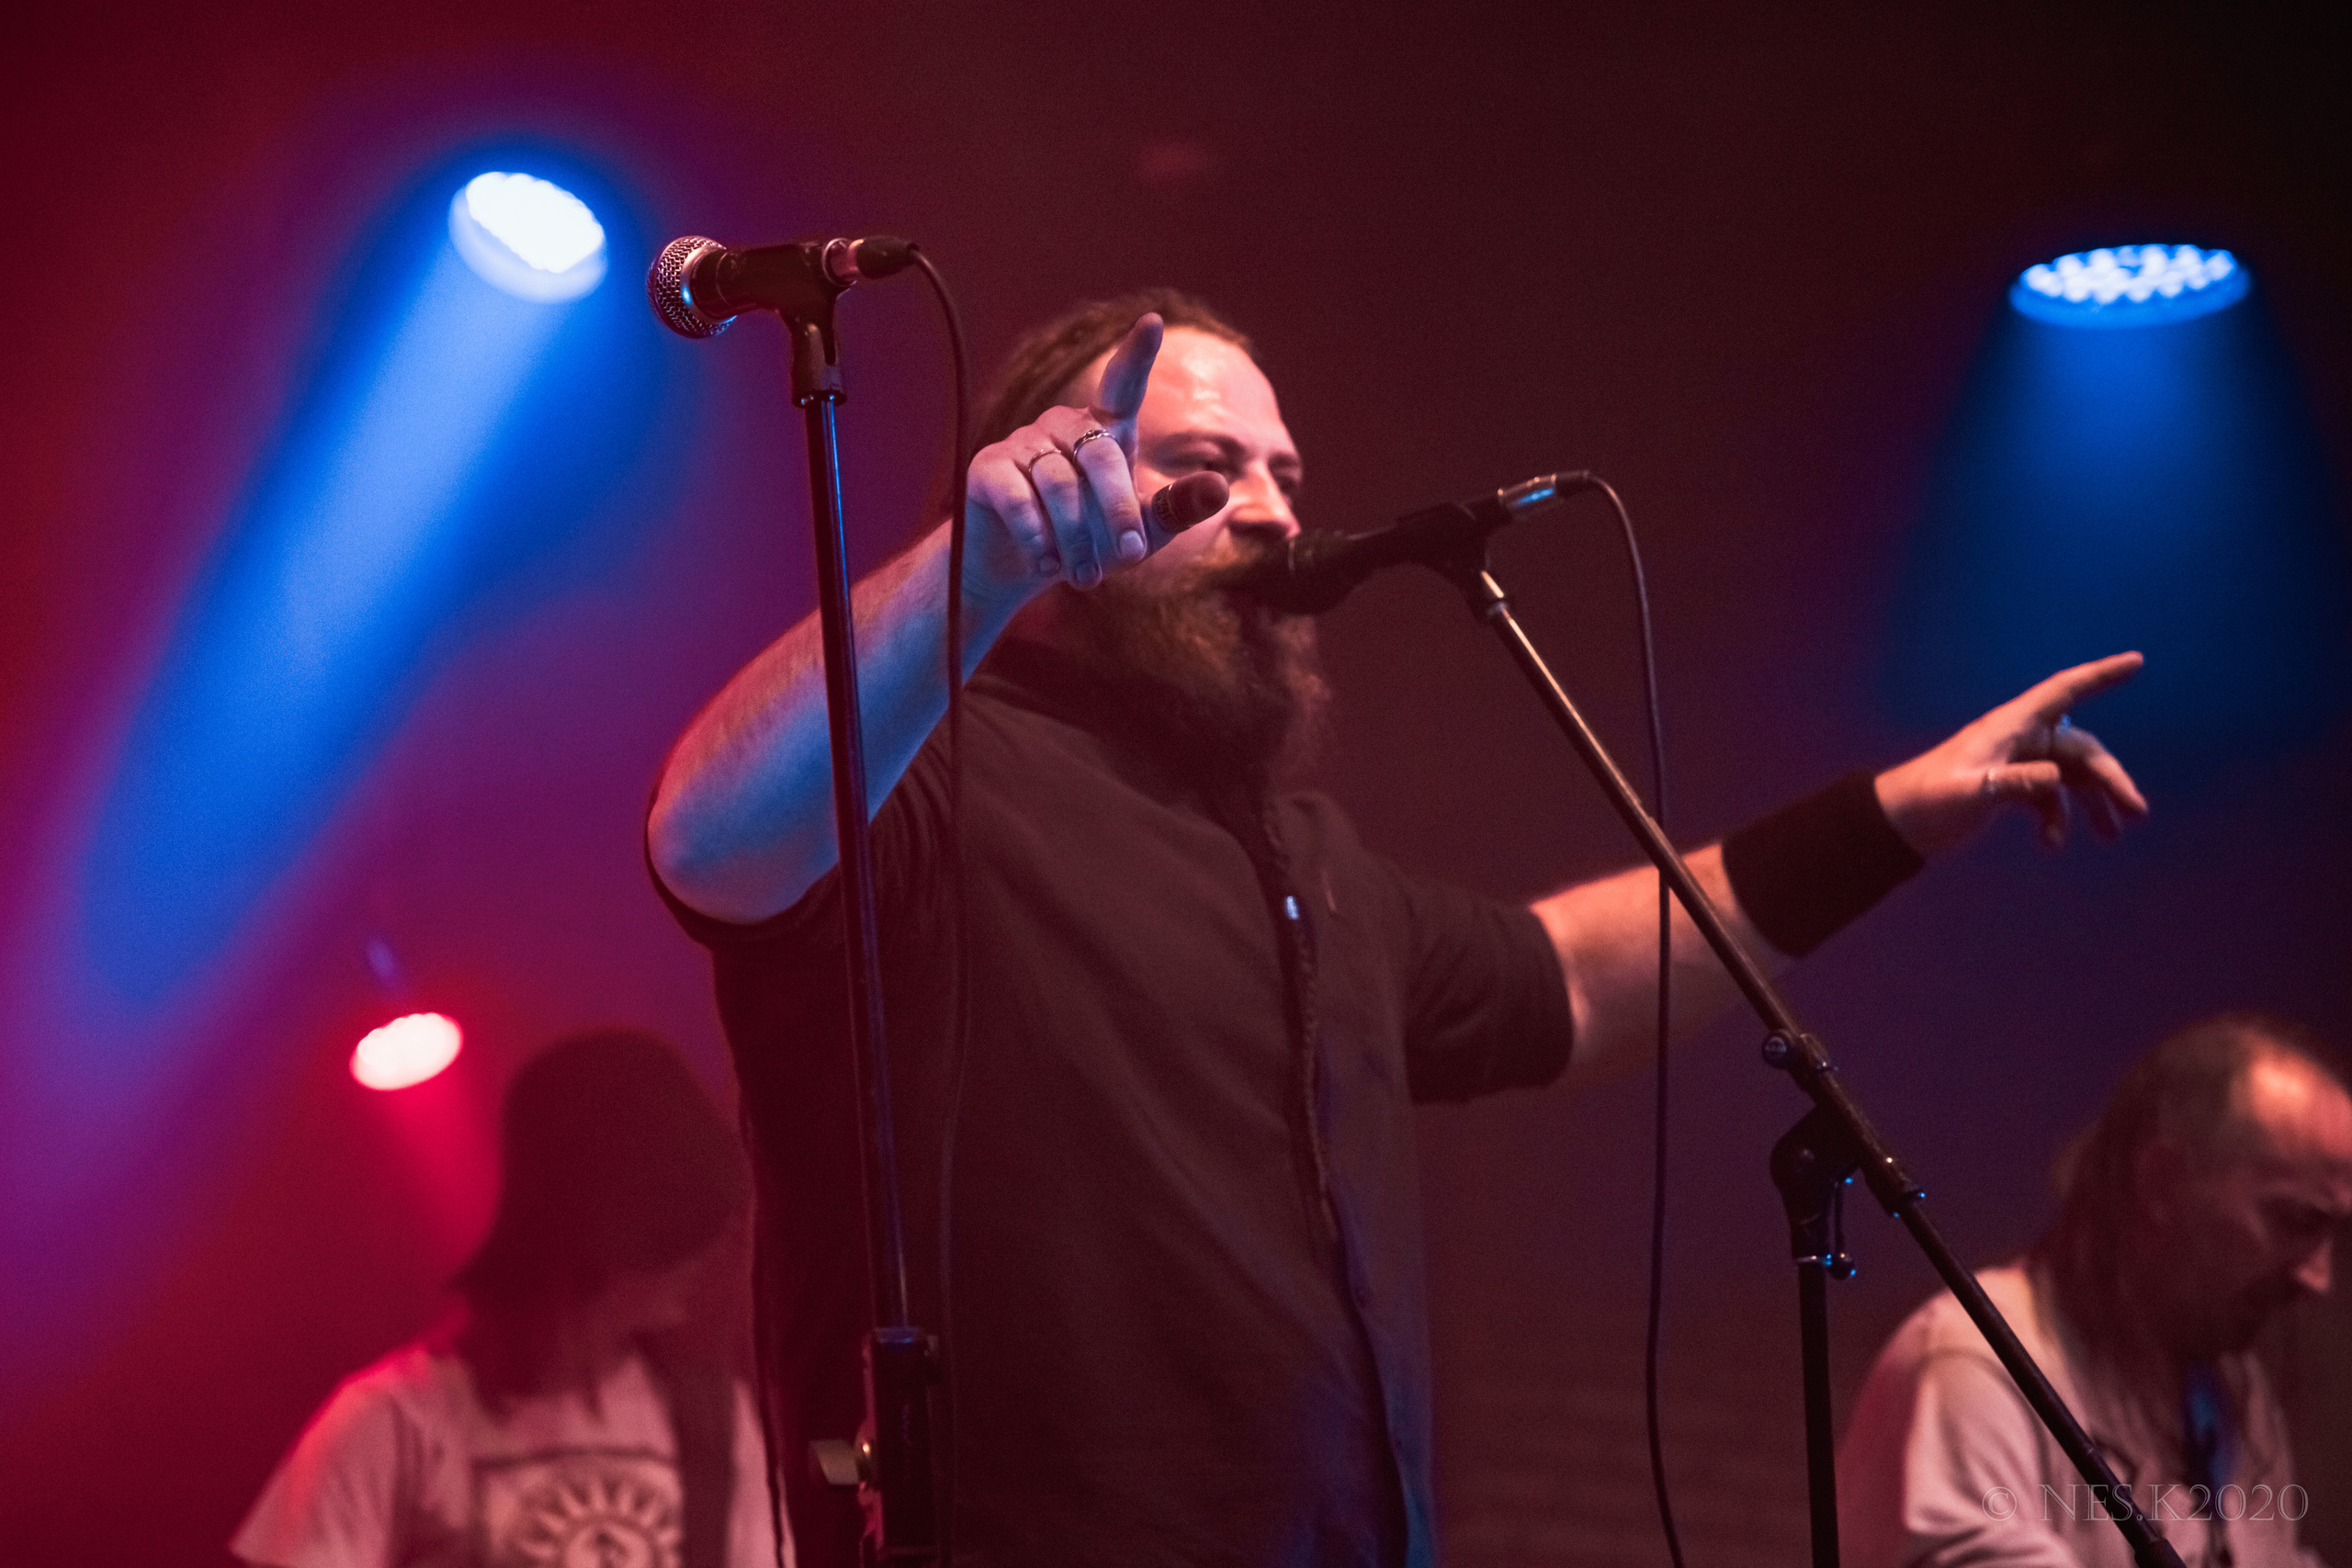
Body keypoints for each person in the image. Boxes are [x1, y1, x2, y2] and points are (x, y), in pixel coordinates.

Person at [645, 289, 2150, 1567]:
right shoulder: (939, 779)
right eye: (1206, 464)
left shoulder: (1301, 850)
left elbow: (1565, 973)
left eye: (1286, 468)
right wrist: (972, 574)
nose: (1280, 508)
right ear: (1062, 489)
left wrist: (1896, 813)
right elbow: (711, 842)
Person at [232, 1027, 787, 1568]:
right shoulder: (392, 1420)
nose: (703, 1258)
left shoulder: (713, 1417)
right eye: (682, 1227)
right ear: (615, 1230)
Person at [1838, 1013, 2352, 1568]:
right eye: (2295, 1220)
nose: (2318, 1278)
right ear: (2159, 1180)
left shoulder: (2229, 1387)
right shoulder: (1974, 1365)